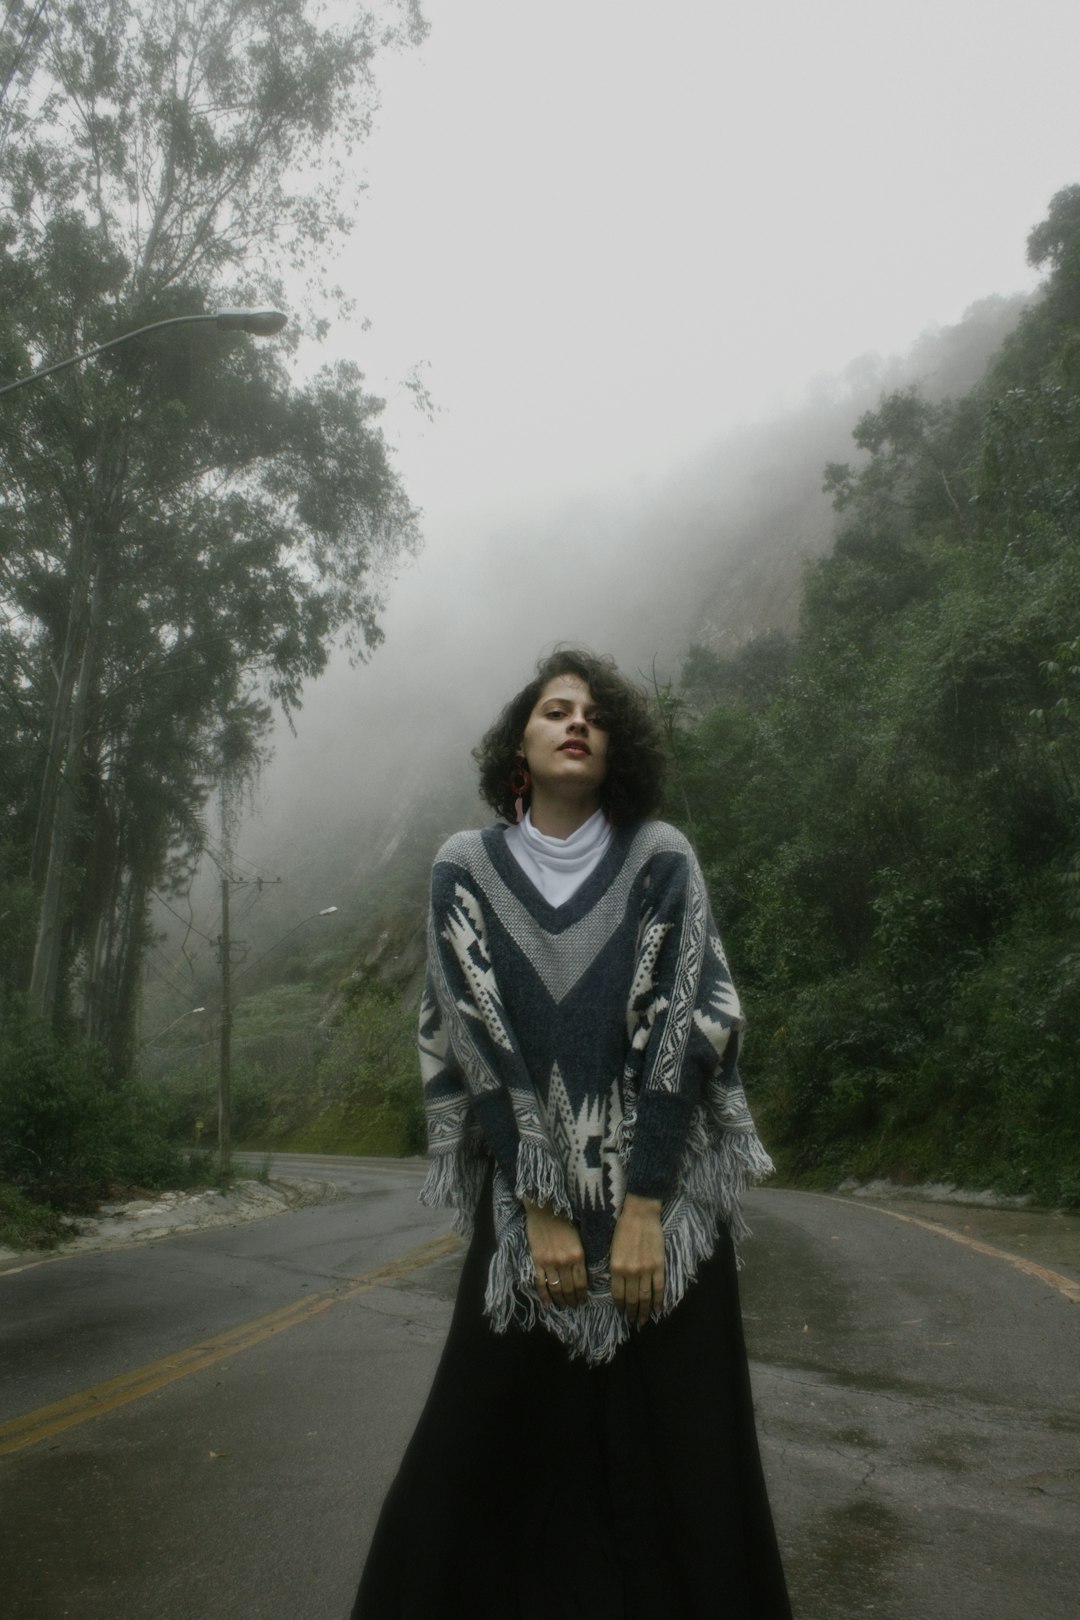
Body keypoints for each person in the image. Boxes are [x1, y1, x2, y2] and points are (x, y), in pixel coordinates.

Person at [351, 648, 792, 1620]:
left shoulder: (662, 857)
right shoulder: (462, 868)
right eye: (554, 709)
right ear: (521, 742)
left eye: (593, 712)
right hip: (523, 1223)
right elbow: (471, 1038)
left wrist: (642, 1208)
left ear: (616, 743)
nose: (575, 721)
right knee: (472, 1468)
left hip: (666, 1222)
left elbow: (689, 1027)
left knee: (688, 1473)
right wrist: (540, 1208)